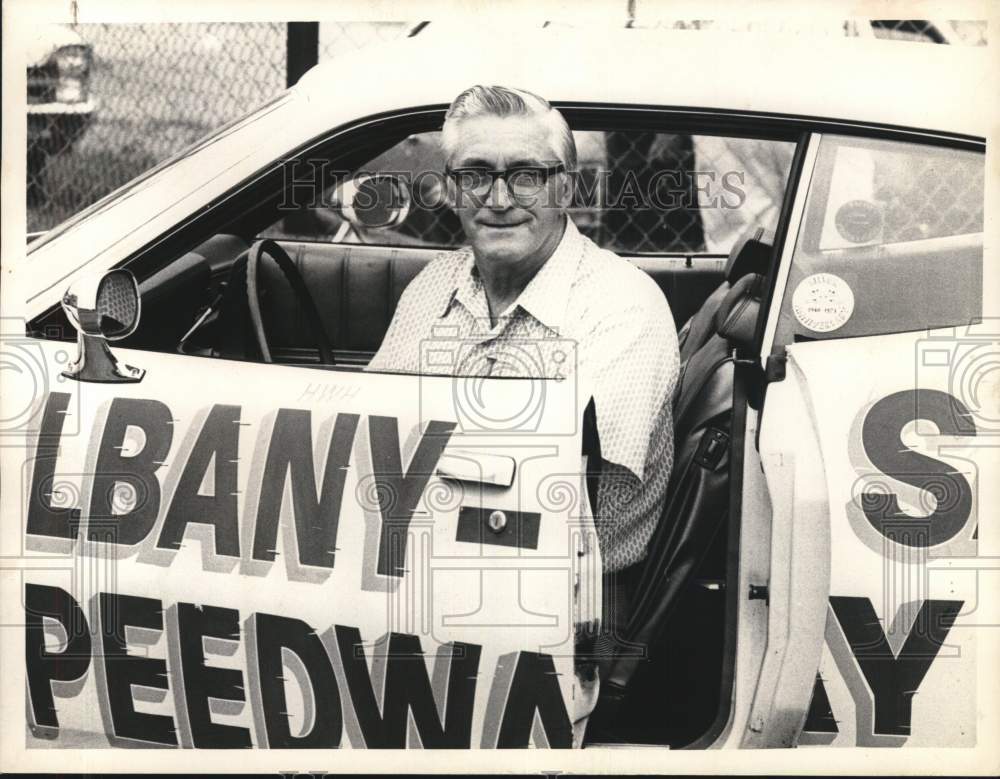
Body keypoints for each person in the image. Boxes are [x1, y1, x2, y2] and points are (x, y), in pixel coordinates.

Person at [366, 84, 679, 743]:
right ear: (450, 188)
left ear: (566, 186)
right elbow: (367, 438)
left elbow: (572, 505)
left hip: (559, 615)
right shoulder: (432, 286)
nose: (500, 198)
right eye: (476, 174)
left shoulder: (623, 306)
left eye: (527, 175)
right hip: (421, 580)